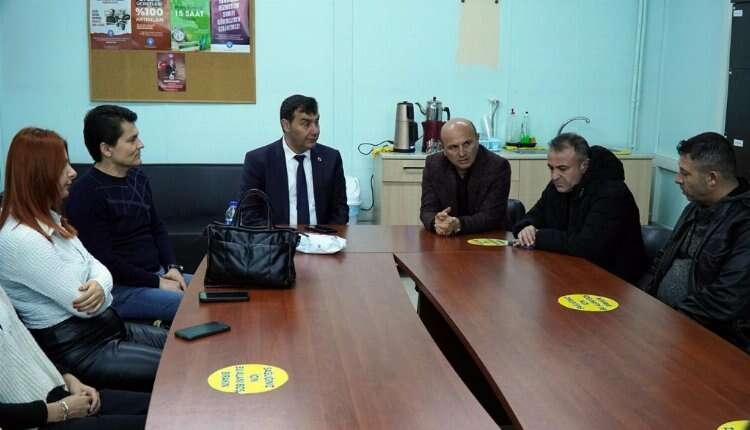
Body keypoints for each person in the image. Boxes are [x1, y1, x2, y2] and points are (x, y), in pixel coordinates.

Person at [0, 127, 166, 392]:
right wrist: (101, 285)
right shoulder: (20, 238)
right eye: (62, 166)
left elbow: (95, 263)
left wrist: (99, 283)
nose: (72, 172)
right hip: (84, 349)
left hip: (110, 328)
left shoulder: (49, 217)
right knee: (177, 368)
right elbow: (85, 305)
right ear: (38, 174)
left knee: (186, 346)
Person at [65, 105, 188, 324]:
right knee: (192, 305)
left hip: (156, 275)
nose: (141, 144)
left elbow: (157, 227)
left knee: (215, 291)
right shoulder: (85, 193)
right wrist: (158, 283)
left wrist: (173, 268)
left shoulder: (138, 176)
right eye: (132, 140)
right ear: (107, 149)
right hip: (121, 289)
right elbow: (105, 260)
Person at [639, 132, 750, 352]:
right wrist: (643, 303)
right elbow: (662, 259)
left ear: (712, 178)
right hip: (665, 323)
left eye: (685, 173)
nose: (677, 179)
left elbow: (727, 297)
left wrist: (672, 318)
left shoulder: (744, 222)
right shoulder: (694, 207)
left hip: (710, 338)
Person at [0, 286, 149, 430]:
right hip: (35, 418)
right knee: (152, 423)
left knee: (156, 407)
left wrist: (70, 380)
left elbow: (26, 345)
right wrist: (60, 410)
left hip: (58, 392)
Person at [512, 133, 646, 283]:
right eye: (551, 168)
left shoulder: (612, 193)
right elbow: (534, 215)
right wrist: (527, 228)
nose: (554, 176)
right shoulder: (559, 185)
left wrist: (540, 236)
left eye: (563, 168)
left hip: (614, 281)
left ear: (584, 165)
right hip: (570, 271)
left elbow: (587, 246)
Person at [239, 94, 348, 226]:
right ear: (286, 125)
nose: (315, 131)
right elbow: (249, 214)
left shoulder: (331, 158)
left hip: (323, 237)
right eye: (306, 124)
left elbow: (340, 210)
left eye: (316, 122)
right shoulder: (259, 161)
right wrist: (280, 236)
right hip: (276, 237)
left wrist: (326, 236)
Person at [420, 118, 511, 235]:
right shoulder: (433, 165)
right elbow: (427, 210)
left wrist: (458, 224)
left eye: (467, 144)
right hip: (447, 239)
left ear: (477, 139)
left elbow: (491, 216)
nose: (462, 153)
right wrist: (436, 222)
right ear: (443, 149)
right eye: (453, 147)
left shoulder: (498, 166)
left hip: (487, 237)